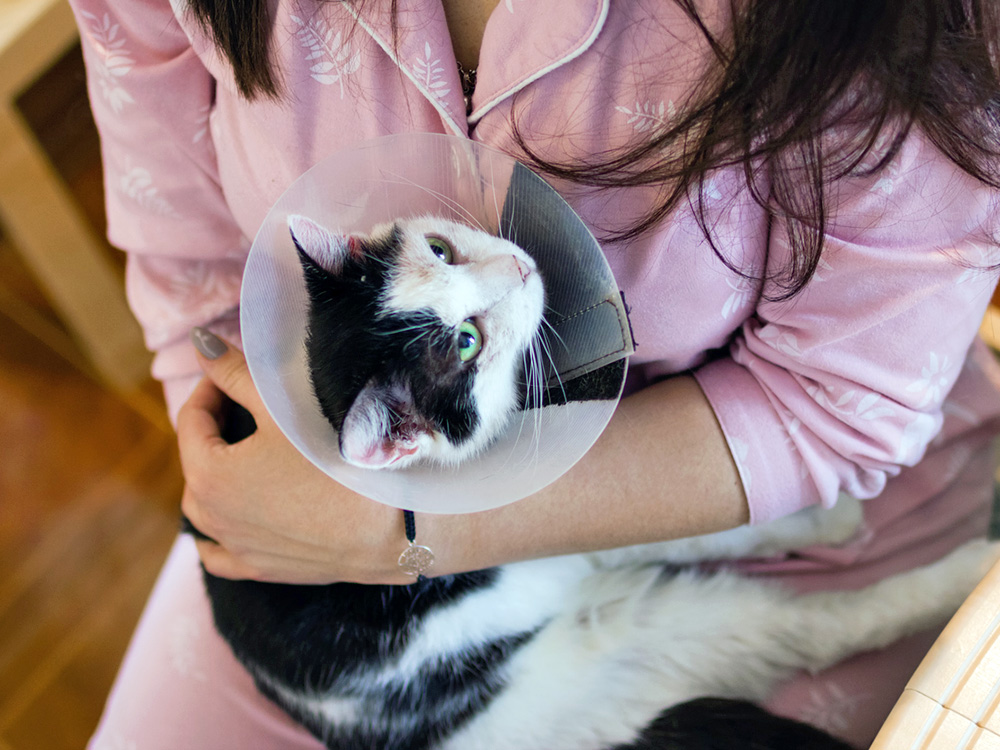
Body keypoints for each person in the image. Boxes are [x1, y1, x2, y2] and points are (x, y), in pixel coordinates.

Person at [68, 0, 1000, 747]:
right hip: (352, 592)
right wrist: (259, 489)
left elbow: (835, 408)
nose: (510, 272)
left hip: (790, 495)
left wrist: (399, 530)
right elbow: (192, 273)